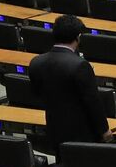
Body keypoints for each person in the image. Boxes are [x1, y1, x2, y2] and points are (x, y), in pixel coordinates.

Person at [32, 15, 109, 152]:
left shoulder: (36, 62)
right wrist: (104, 130)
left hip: (53, 130)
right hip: (82, 135)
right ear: (78, 37)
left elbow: (37, 93)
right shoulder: (80, 65)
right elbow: (92, 101)